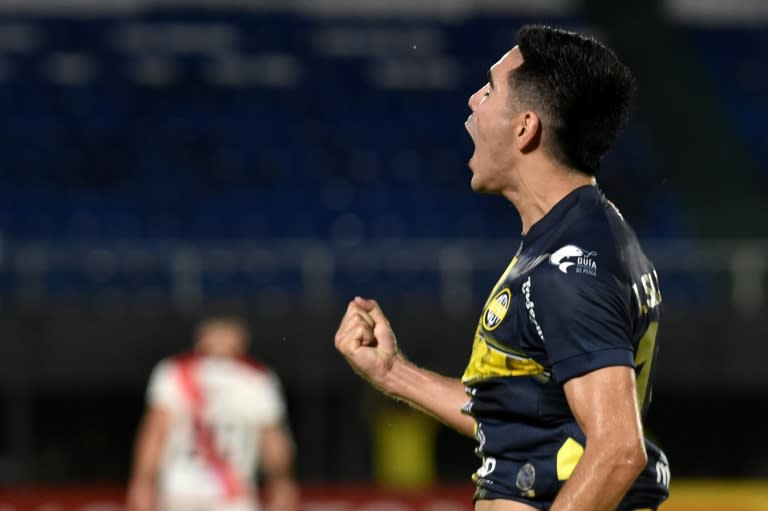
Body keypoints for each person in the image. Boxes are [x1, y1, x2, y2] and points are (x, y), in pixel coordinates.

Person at [334, 24, 670, 511]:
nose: (473, 100)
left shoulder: (573, 267)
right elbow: (522, 417)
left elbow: (618, 452)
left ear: (524, 127)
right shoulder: (570, 238)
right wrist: (393, 373)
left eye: (490, 90)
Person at [126, 315, 300, 511]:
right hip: (230, 496)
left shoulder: (174, 371)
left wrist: (142, 483)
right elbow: (274, 443)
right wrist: (283, 483)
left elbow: (154, 434)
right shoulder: (256, 379)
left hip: (181, 494)